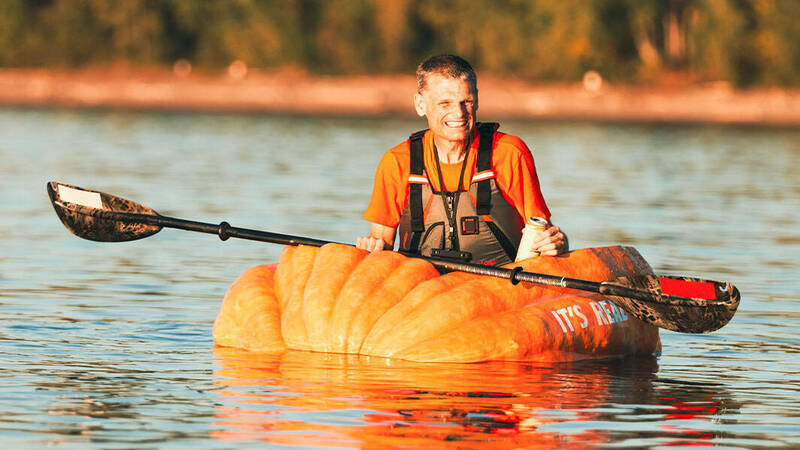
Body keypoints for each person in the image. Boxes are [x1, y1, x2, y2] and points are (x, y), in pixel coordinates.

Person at [356, 54, 567, 265]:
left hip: (500, 289)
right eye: (445, 104)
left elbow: (542, 233)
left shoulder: (509, 153)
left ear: (477, 100)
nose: (459, 113)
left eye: (466, 102)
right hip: (422, 288)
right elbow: (381, 242)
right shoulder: (397, 161)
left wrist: (557, 243)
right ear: (420, 105)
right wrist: (372, 247)